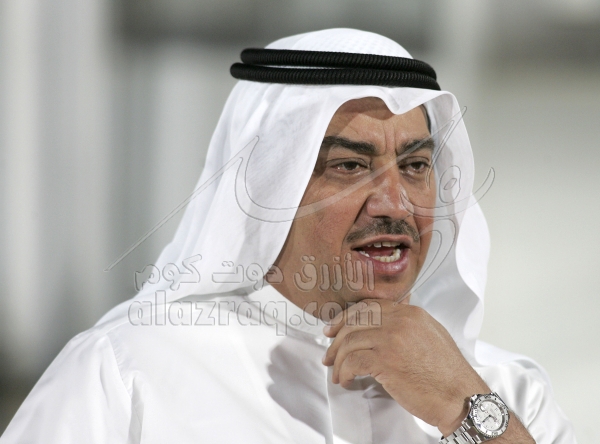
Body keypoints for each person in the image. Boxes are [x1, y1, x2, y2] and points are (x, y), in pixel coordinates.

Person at [1, 28, 576, 443]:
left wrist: (463, 408)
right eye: (350, 166)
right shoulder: (130, 372)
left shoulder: (505, 391)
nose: (395, 203)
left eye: (416, 166)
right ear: (268, 186)